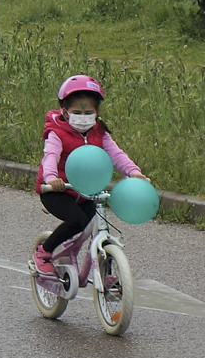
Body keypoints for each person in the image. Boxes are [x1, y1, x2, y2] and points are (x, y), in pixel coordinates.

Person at [34, 75, 145, 272]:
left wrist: (134, 172)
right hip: (58, 191)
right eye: (77, 112)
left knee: (100, 224)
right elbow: (50, 156)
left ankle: (107, 271)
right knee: (78, 221)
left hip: (87, 191)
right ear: (65, 111)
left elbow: (116, 155)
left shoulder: (99, 132)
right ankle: (44, 251)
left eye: (88, 112)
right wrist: (51, 179)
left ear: (96, 113)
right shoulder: (57, 133)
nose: (83, 117)